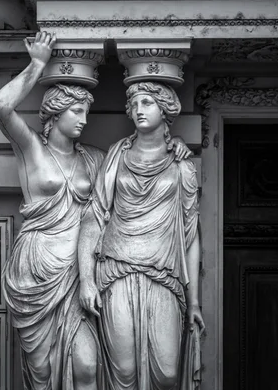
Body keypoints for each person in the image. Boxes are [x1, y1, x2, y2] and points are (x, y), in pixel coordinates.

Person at [0, 33, 192, 390]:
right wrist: (37, 64)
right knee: (43, 374)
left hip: (80, 271)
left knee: (87, 365)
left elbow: (131, 166)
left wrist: (170, 145)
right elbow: (2, 107)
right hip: (38, 268)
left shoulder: (97, 158)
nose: (85, 119)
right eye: (78, 111)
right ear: (55, 113)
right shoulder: (31, 151)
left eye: (86, 111)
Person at [78, 81, 205, 390]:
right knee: (123, 372)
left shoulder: (183, 166)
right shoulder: (116, 156)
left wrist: (194, 303)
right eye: (134, 104)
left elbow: (190, 236)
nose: (138, 110)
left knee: (167, 375)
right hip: (117, 271)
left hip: (164, 275)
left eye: (147, 103)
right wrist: (86, 279)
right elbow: (94, 218)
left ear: (165, 109)